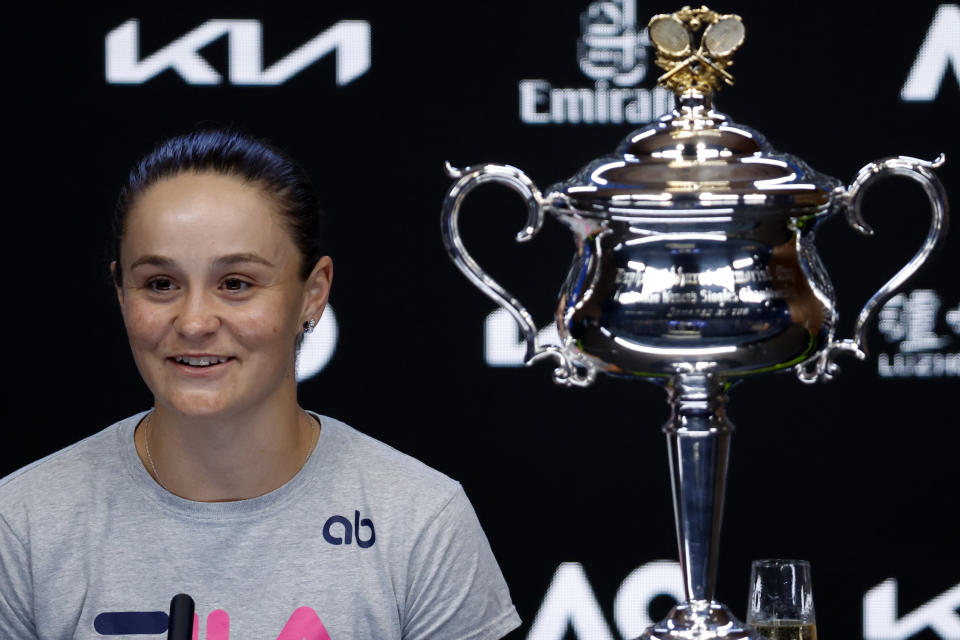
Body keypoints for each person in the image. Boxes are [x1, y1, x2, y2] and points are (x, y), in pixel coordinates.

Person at [0, 130, 521, 639]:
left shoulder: (418, 521)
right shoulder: (22, 525)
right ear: (121, 293)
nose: (195, 321)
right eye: (161, 284)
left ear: (313, 294)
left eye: (236, 284)